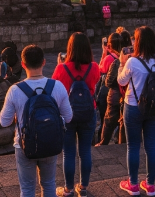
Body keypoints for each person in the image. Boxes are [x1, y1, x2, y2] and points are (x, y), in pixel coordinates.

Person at [0, 45, 72, 197]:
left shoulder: (15, 90)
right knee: (49, 184)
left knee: (27, 189)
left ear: (23, 64)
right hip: (50, 142)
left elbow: (4, 121)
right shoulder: (57, 86)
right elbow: (69, 117)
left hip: (24, 145)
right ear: (44, 62)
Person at [116, 26, 155, 196]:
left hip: (133, 106)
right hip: (154, 107)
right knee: (151, 145)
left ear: (138, 42)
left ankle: (133, 184)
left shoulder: (132, 62)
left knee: (133, 146)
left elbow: (121, 81)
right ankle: (150, 184)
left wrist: (121, 63)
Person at [52, 33, 100, 197]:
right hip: (88, 113)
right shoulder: (94, 67)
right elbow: (95, 82)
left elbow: (54, 86)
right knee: (85, 151)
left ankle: (68, 189)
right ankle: (83, 187)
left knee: (69, 153)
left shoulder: (61, 68)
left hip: (67, 114)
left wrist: (60, 65)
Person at [98, 33, 125, 145]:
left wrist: (104, 52)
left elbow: (103, 74)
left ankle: (102, 142)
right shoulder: (127, 58)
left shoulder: (111, 59)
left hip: (112, 94)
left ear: (110, 44)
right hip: (124, 95)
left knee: (107, 121)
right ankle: (119, 140)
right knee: (121, 121)